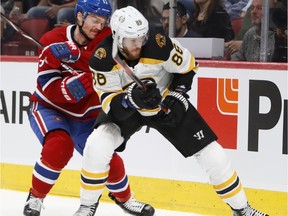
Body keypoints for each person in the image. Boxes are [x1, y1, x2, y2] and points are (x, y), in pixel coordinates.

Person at [74, 6, 269, 216]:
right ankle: (86, 206)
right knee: (97, 145)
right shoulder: (101, 59)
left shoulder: (159, 44)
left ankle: (242, 209)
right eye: (132, 39)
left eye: (142, 37)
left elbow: (188, 68)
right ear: (117, 37)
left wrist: (178, 94)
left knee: (213, 154)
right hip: (129, 110)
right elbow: (112, 106)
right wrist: (131, 100)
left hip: (165, 103)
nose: (139, 43)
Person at [23, 1, 154, 216]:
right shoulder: (51, 40)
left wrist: (74, 55)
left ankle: (125, 199)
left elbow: (107, 63)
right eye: (94, 20)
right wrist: (66, 89)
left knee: (106, 156)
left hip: (88, 114)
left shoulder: (108, 39)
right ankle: (35, 198)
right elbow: (46, 86)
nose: (98, 26)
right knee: (59, 146)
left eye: (103, 22)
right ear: (80, 17)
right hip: (51, 108)